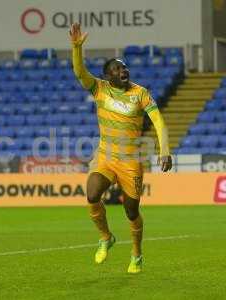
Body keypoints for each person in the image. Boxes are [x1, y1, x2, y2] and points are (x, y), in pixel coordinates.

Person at [69, 23, 172, 274]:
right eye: (116, 68)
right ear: (108, 76)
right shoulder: (99, 89)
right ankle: (106, 237)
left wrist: (164, 150)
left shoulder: (141, 94)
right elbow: (80, 72)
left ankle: (136, 254)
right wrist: (76, 48)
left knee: (131, 210)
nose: (122, 70)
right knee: (92, 194)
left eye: (123, 66)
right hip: (105, 156)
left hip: (130, 161)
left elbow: (158, 120)